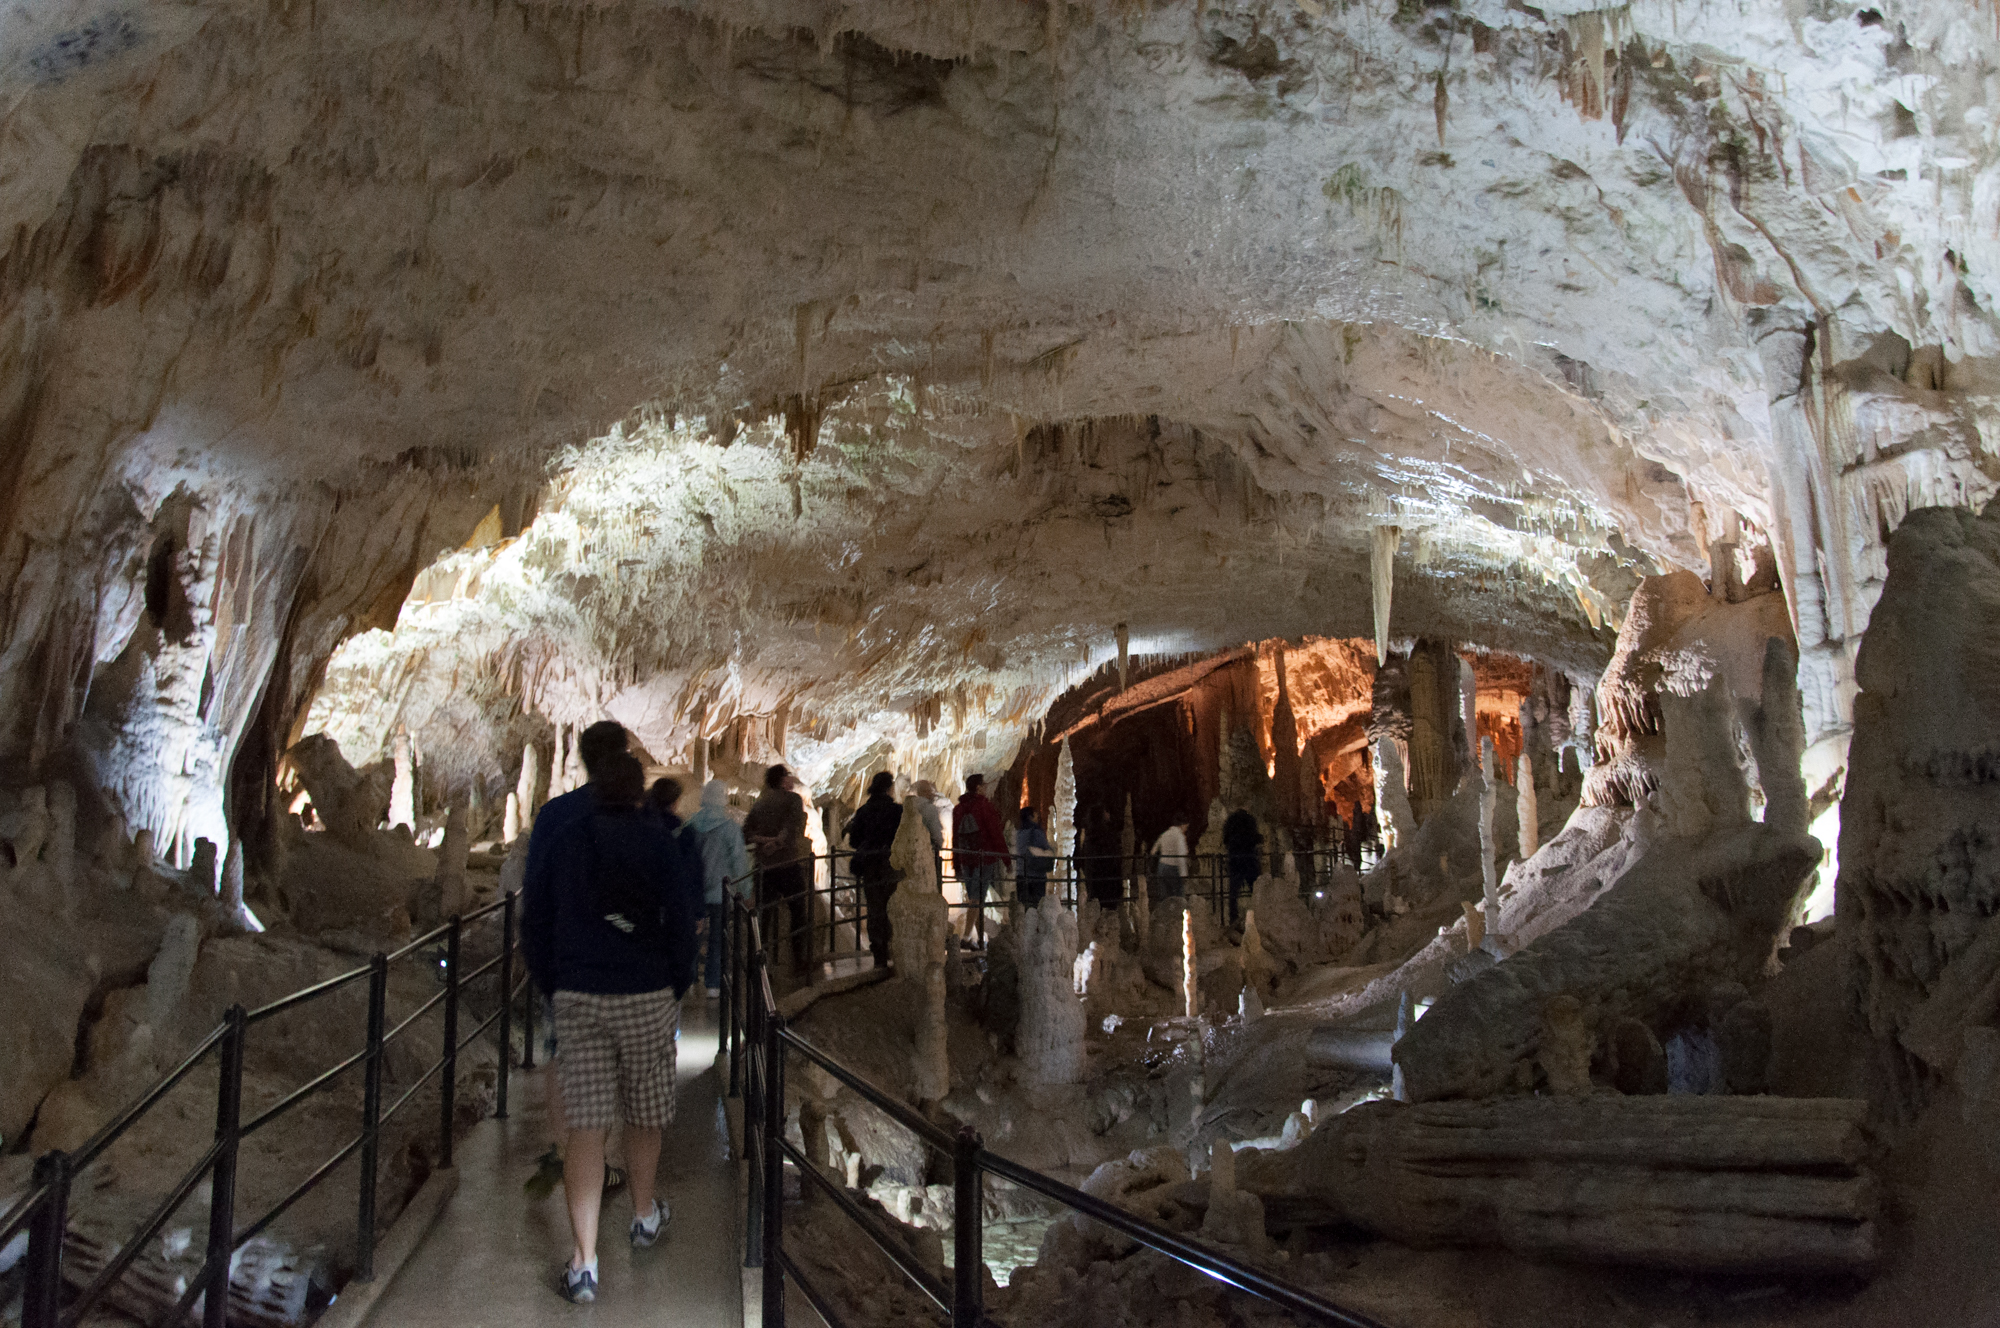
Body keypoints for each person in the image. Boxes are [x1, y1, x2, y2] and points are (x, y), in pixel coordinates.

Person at [523, 747, 701, 1305]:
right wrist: (674, 983)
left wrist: (557, 983)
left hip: (581, 995)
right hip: (646, 994)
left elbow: (536, 921)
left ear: (597, 786)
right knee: (645, 1114)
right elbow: (681, 921)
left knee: (587, 1125)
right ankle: (644, 1216)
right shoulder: (658, 842)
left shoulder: (567, 840)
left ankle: (584, 1262)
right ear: (638, 792)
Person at [742, 763, 812, 977]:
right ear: (782, 780)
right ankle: (798, 961)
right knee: (798, 911)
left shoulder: (760, 803)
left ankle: (759, 965)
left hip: (764, 868)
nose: (791, 779)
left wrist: (765, 841)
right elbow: (791, 828)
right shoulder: (793, 800)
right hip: (787, 865)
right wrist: (777, 843)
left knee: (763, 917)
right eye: (788, 776)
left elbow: (746, 833)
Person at [687, 778, 751, 998]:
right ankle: (713, 983)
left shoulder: (691, 826)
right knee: (717, 937)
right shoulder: (730, 829)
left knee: (693, 935)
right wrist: (745, 890)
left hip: (695, 892)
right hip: (721, 893)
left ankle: (689, 977)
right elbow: (739, 862)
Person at [842, 772, 905, 968]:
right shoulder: (897, 811)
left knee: (875, 908)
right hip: (890, 864)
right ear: (889, 788)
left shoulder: (863, 811)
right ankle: (895, 947)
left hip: (870, 865)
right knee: (894, 905)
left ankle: (879, 952)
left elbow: (854, 841)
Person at [951, 774, 1006, 946]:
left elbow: (955, 839)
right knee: (977, 899)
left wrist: (956, 864)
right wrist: (1006, 859)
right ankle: (968, 937)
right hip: (984, 859)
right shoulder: (984, 806)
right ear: (978, 787)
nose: (986, 787)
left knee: (974, 898)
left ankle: (976, 937)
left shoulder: (958, 809)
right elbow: (995, 833)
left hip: (966, 860)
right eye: (984, 785)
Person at [1221, 807, 1264, 926]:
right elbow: (1255, 838)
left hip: (1235, 859)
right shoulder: (1249, 820)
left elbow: (1226, 839)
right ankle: (1260, 913)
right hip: (1249, 859)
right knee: (1255, 887)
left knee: (1234, 892)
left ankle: (1233, 917)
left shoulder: (1231, 821)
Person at [1015, 806, 1054, 908]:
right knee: (1036, 906)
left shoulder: (1018, 833)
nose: (1038, 817)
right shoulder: (1036, 832)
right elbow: (1046, 848)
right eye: (1036, 815)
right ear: (1030, 817)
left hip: (1021, 874)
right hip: (1036, 875)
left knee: (1024, 906)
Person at [911, 779, 946, 880]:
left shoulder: (908, 807)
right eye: (930, 791)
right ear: (925, 792)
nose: (932, 794)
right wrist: (940, 843)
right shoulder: (930, 809)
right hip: (927, 853)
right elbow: (936, 833)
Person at [1152, 820, 1190, 900]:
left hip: (1162, 866)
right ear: (1182, 825)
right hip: (1173, 867)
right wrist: (1183, 873)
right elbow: (1180, 855)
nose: (1186, 829)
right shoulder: (1179, 836)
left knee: (1165, 896)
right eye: (1186, 827)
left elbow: (1154, 850)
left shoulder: (1165, 834)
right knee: (1178, 897)